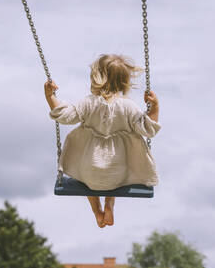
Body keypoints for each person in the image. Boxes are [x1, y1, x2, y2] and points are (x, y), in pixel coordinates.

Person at [44, 54, 161, 228]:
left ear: (96, 78)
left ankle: (97, 210)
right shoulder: (128, 107)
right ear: (123, 81)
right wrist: (155, 107)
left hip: (89, 172)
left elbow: (64, 116)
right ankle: (109, 204)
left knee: (85, 179)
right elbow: (149, 129)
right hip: (116, 174)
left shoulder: (88, 103)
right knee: (115, 173)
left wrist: (50, 97)